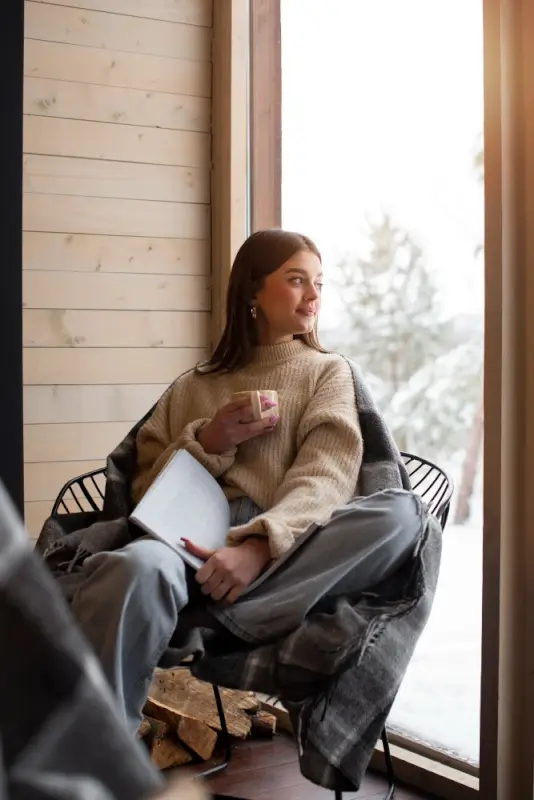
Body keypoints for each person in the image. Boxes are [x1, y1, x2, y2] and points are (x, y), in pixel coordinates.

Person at [69, 229, 425, 736]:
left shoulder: (327, 372)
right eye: (296, 280)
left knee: (403, 514)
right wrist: (209, 441)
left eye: (319, 283)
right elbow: (145, 490)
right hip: (186, 550)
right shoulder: (193, 385)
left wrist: (259, 544)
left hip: (284, 555)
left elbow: (326, 476)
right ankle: (106, 762)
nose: (313, 296)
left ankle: (226, 619)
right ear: (252, 291)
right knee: (133, 566)